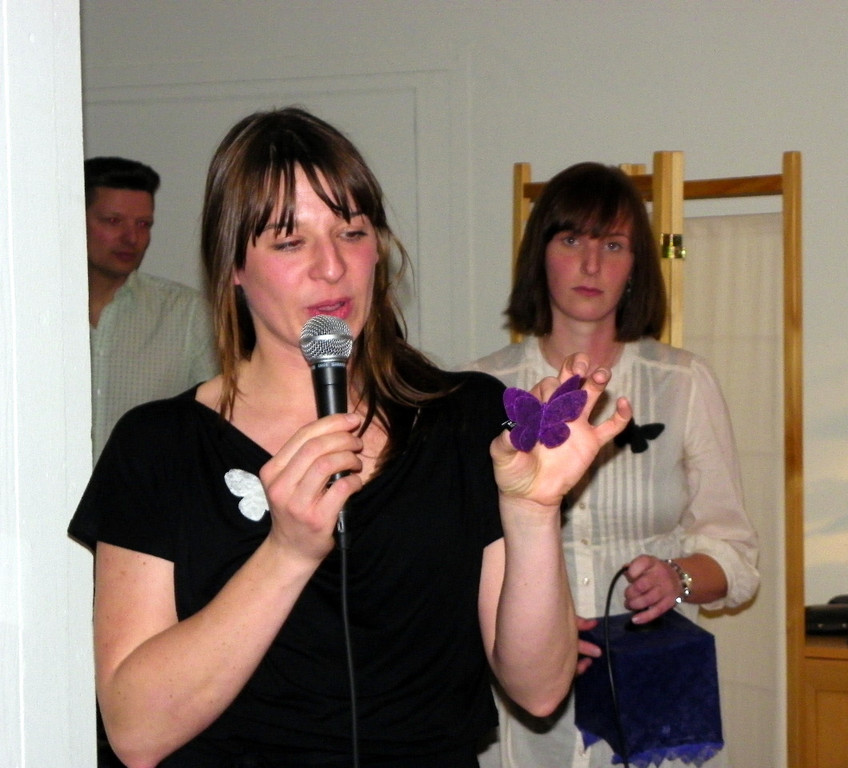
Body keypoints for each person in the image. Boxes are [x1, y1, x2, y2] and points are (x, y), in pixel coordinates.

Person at [68, 108, 631, 768]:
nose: (331, 267)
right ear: (233, 265)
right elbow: (135, 731)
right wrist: (287, 552)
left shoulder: (465, 419)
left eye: (352, 232)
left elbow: (540, 690)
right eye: (289, 241)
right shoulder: (157, 447)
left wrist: (533, 512)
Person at [469, 162, 760, 768]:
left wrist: (676, 578)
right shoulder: (480, 389)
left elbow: (736, 559)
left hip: (652, 693)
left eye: (613, 245)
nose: (591, 264)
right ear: (539, 254)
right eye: (571, 239)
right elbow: (454, 560)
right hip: (526, 704)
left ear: (636, 266)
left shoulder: (683, 382)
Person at [85, 156, 217, 461]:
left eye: (143, 224)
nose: (132, 238)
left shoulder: (186, 314)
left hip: (144, 490)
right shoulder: (28, 314)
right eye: (113, 221)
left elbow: (215, 425)